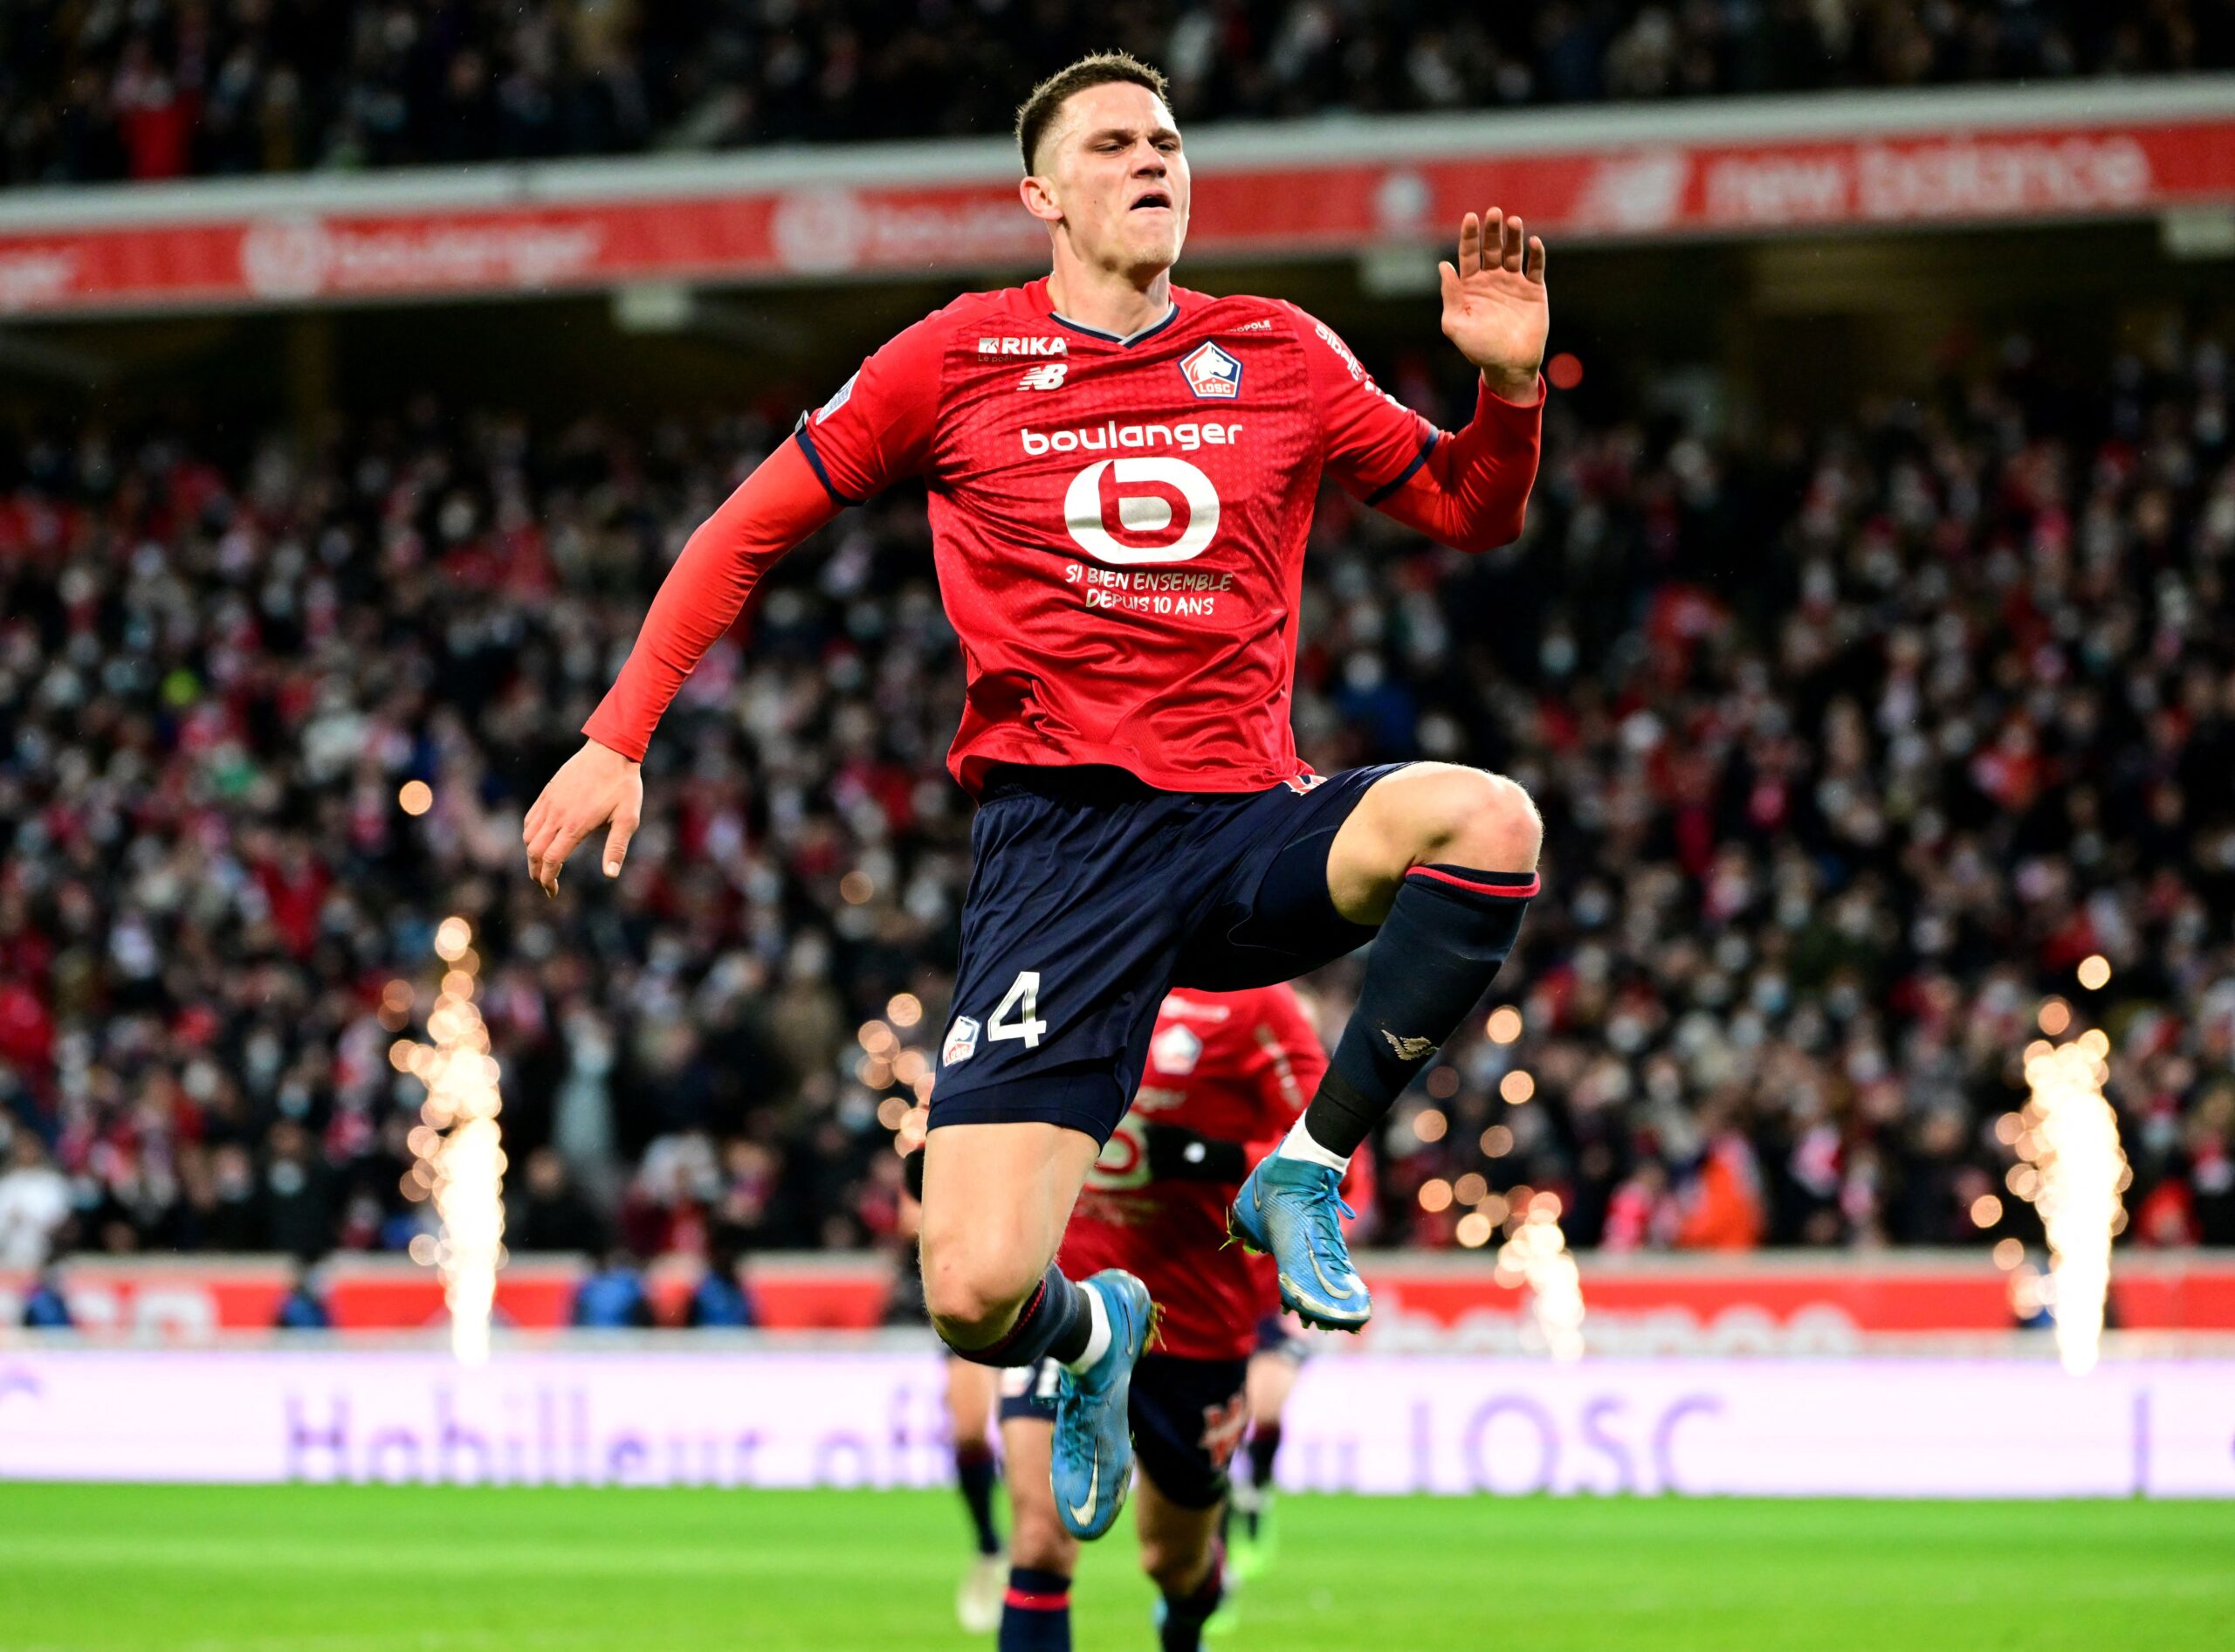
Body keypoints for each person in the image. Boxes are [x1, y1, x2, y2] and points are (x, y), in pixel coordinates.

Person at [522, 50, 1548, 1539]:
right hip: (1058, 860)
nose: (1153, 160)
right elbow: (745, 530)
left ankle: (1308, 1168)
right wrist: (620, 734)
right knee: (973, 1291)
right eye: (1114, 143)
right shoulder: (954, 358)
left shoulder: (1280, 351)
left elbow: (1471, 507)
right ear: (1041, 195)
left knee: (1492, 817)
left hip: (1243, 826)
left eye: (1168, 140)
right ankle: (1093, 1331)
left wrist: (1509, 388)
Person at [960, 983, 1327, 1652]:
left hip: (1193, 1328)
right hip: (1070, 1304)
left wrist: (1206, 1157)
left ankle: (1187, 1619)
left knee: (1173, 1564)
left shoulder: (1257, 1008)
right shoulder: (1073, 974)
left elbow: (1337, 1164)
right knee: (1040, 1540)